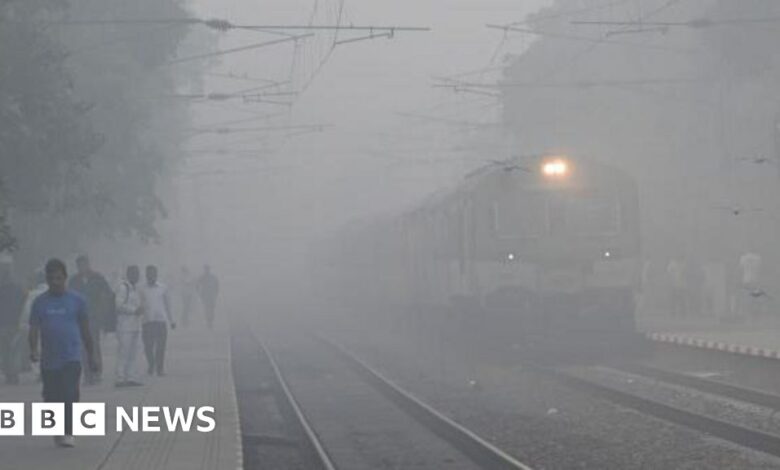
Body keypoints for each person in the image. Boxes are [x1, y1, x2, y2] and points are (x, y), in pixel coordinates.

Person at [29, 258, 98, 448]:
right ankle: (57, 430)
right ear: (47, 279)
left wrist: (92, 356)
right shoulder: (39, 302)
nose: (55, 282)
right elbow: (34, 328)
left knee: (69, 394)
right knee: (52, 396)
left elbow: (85, 330)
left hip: (72, 357)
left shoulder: (77, 301)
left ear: (65, 278)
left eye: (59, 278)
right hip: (49, 360)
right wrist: (33, 349)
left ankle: (68, 431)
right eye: (51, 279)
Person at [68, 255, 113, 384]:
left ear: (88, 264)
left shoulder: (98, 278)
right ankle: (87, 375)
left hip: (94, 317)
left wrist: (103, 312)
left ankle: (97, 372)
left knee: (94, 345)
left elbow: (108, 294)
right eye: (79, 265)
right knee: (83, 347)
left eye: (84, 264)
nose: (82, 268)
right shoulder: (74, 281)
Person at [141, 265, 175, 376]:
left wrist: (172, 320)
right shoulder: (141, 289)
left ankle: (160, 368)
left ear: (156, 275)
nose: (151, 276)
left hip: (160, 321)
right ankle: (151, 364)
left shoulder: (163, 288)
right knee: (148, 347)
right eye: (149, 274)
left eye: (153, 274)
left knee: (161, 347)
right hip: (147, 321)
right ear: (146, 275)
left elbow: (168, 305)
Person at [114, 266, 144, 387]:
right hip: (124, 326)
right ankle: (120, 378)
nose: (136, 276)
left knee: (133, 353)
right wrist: (133, 310)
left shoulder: (136, 289)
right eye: (133, 274)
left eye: (137, 274)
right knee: (123, 352)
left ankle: (131, 377)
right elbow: (118, 305)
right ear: (128, 274)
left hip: (135, 325)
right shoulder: (123, 287)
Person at [0, 259, 25, 384]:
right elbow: (22, 304)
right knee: (14, 350)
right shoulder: (18, 289)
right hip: (14, 322)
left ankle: (9, 374)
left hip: (5, 323)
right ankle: (13, 374)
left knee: (5, 350)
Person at [196, 265, 219, 329]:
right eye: (206, 269)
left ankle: (210, 320)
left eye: (207, 269)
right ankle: (208, 321)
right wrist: (199, 293)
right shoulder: (202, 277)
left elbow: (217, 286)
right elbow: (197, 284)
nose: (207, 270)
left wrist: (216, 293)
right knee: (207, 308)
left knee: (211, 309)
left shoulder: (213, 277)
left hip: (211, 295)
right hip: (205, 295)